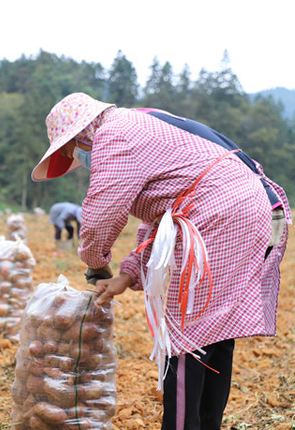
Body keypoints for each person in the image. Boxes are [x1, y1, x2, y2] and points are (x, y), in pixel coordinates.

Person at [31, 92, 289, 430]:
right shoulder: (144, 124)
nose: (80, 158)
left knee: (185, 338)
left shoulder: (114, 133)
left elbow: (100, 214)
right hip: (261, 210)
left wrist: (95, 264)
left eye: (71, 151)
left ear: (80, 134)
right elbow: (159, 224)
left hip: (224, 213)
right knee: (215, 332)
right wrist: (126, 274)